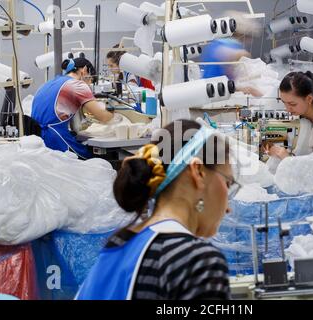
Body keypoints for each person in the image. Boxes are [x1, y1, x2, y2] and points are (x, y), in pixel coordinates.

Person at [76, 119, 239, 300]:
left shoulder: (119, 244)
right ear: (198, 171)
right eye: (227, 182)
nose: (228, 208)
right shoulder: (196, 262)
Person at [31, 57, 113, 159]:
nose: (89, 84)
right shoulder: (77, 85)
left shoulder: (49, 83)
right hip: (56, 138)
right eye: (90, 79)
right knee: (93, 161)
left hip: (38, 139)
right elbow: (103, 117)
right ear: (84, 70)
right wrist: (117, 117)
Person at [200, 11, 263, 97]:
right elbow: (222, 53)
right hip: (212, 92)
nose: (250, 41)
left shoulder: (217, 43)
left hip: (213, 90)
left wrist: (244, 89)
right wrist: (239, 54)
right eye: (249, 36)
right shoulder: (227, 45)